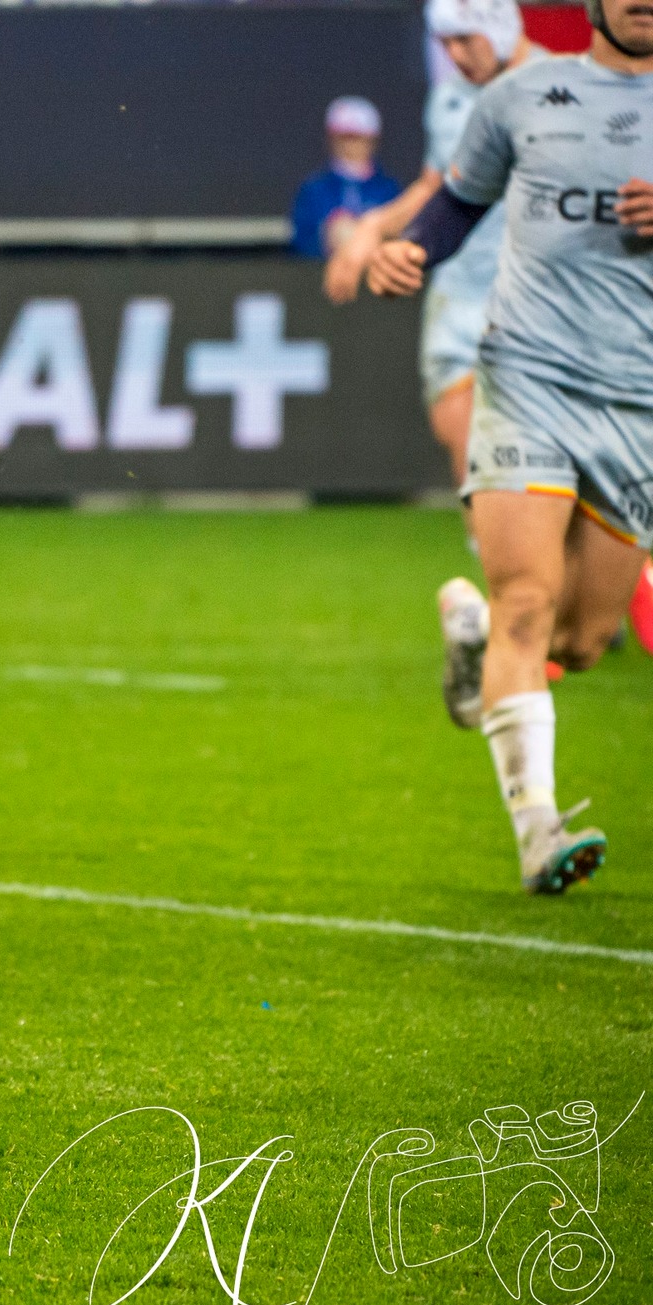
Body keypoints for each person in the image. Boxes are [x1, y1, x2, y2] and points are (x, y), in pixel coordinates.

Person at [367, 0, 653, 895]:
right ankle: (538, 829)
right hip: (526, 378)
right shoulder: (523, 95)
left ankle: (474, 630)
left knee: (585, 636)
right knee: (529, 598)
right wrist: (405, 252)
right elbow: (457, 205)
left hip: (637, 403)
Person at [326, 0, 537, 554]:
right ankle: (509, 607)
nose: (454, 56)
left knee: (547, 478)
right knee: (472, 462)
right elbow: (433, 188)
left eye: (465, 39)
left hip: (539, 306)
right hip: (458, 299)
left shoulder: (561, 88)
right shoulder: (447, 101)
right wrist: (375, 227)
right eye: (445, 43)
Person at [291, 97, 403, 258]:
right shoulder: (314, 189)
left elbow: (400, 237)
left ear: (372, 140)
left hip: (376, 271)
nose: (348, 145)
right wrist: (327, 236)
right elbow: (301, 242)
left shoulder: (388, 189)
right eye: (342, 137)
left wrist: (366, 233)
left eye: (356, 138)